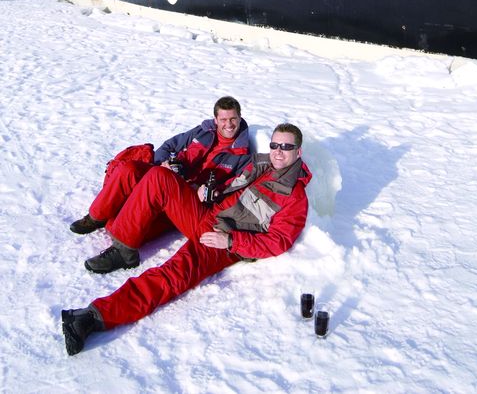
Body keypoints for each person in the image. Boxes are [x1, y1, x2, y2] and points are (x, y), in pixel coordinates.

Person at [61, 123, 311, 355]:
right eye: (275, 145)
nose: (278, 152)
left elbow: (278, 241)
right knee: (159, 177)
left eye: (286, 147)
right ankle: (124, 248)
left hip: (224, 241)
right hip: (208, 215)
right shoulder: (262, 165)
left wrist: (231, 242)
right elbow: (233, 191)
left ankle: (92, 317)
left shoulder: (294, 196)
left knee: (173, 274)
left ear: (298, 152)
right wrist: (211, 193)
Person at [69, 96, 250, 247]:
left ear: (240, 118)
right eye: (224, 119)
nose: (229, 124)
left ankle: (116, 232)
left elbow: (234, 188)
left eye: (233, 119)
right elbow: (169, 145)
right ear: (216, 119)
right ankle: (95, 217)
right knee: (129, 169)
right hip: (165, 176)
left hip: (185, 198)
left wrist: (212, 192)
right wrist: (161, 162)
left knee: (114, 225)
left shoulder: (243, 153)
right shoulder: (202, 131)